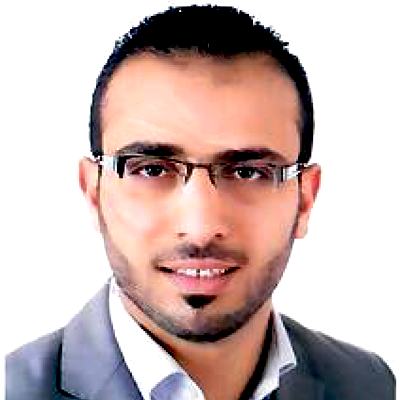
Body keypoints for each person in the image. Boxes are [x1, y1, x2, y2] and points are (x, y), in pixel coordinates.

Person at [6, 4, 395, 400]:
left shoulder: (370, 384)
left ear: (305, 200)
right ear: (93, 193)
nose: (201, 228)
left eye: (248, 172)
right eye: (152, 169)